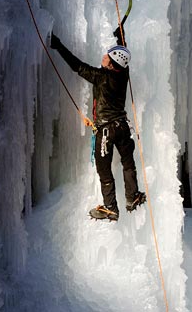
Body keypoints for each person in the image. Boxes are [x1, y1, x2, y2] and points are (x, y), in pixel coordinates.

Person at [50, 28, 145, 221]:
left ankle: (110, 207)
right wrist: (121, 37)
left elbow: (77, 66)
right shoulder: (123, 72)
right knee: (128, 163)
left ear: (111, 65)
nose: (103, 56)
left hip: (107, 131)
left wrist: (58, 46)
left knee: (104, 169)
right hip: (122, 127)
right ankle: (132, 196)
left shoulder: (101, 77)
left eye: (107, 57)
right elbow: (123, 55)